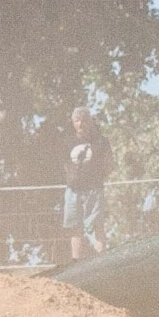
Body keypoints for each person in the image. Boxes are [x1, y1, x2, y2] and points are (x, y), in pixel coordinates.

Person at [63, 106, 112, 261]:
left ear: (90, 121)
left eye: (84, 120)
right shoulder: (68, 142)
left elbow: (109, 164)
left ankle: (100, 261)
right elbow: (64, 164)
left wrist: (97, 177)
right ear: (73, 123)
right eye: (77, 120)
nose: (81, 124)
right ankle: (76, 262)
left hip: (94, 189)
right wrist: (72, 178)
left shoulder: (101, 142)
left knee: (97, 226)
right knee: (75, 228)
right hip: (73, 190)